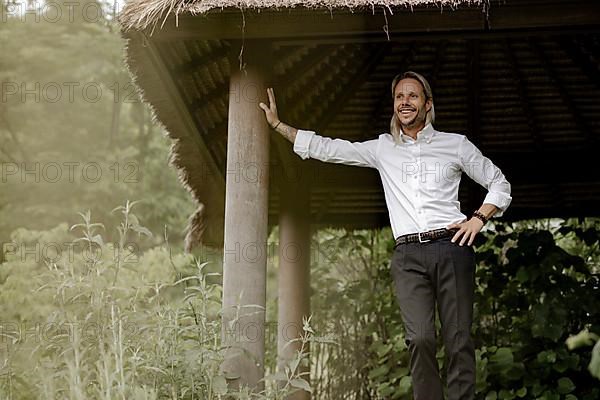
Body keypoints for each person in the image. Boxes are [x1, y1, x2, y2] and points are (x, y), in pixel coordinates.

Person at [259, 71, 512, 400]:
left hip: (452, 247)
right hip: (408, 257)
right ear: (394, 105)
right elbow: (329, 148)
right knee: (420, 338)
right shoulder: (383, 148)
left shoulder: (456, 144)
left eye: (413, 96)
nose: (405, 102)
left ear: (428, 104)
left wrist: (478, 218)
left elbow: (499, 183)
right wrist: (279, 126)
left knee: (459, 338)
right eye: (399, 97)